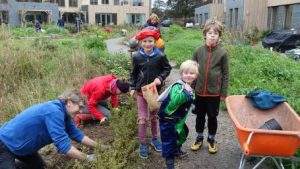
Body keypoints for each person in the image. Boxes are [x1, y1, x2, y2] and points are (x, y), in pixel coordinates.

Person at [0, 89, 97, 169]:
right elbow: (64, 146)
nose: (80, 111)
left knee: (41, 167)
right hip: (4, 144)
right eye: (79, 107)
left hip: (23, 148)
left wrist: (99, 147)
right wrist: (87, 158)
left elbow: (76, 134)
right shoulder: (54, 111)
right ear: (69, 102)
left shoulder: (65, 115)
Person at [129, 26, 172, 159]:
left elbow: (167, 68)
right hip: (141, 92)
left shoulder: (160, 56)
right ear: (141, 42)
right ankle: (143, 143)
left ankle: (154, 138)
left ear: (155, 42)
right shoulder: (137, 57)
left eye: (150, 41)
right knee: (142, 118)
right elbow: (134, 73)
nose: (148, 44)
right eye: (145, 41)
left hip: (154, 92)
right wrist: (132, 87)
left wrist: (160, 78)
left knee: (154, 116)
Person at [190, 19, 229, 154]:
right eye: (210, 33)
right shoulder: (198, 51)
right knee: (199, 116)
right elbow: (192, 70)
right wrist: (190, 87)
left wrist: (223, 92)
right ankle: (199, 137)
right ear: (205, 34)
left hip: (214, 93)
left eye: (216, 33)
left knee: (212, 117)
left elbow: (225, 74)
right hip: (199, 92)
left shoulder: (222, 53)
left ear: (219, 36)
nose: (212, 35)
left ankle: (211, 139)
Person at [157, 60, 198, 169]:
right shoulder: (179, 87)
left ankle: (176, 150)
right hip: (168, 120)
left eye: (192, 73)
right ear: (181, 74)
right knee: (169, 142)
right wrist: (185, 92)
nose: (189, 75)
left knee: (184, 133)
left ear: (195, 75)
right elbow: (174, 102)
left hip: (178, 120)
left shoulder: (188, 86)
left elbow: (190, 99)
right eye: (186, 73)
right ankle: (170, 164)